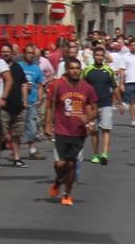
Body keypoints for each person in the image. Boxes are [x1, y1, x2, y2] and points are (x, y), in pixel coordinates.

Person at [42, 57, 98, 207]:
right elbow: (49, 106)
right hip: (61, 129)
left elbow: (94, 109)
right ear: (66, 69)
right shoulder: (57, 85)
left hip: (78, 133)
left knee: (72, 164)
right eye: (72, 68)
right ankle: (58, 179)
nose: (75, 71)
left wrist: (88, 119)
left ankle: (67, 194)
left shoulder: (87, 88)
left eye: (77, 68)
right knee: (60, 164)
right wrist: (47, 124)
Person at [83, 48, 119, 164]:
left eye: (101, 55)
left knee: (106, 129)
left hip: (106, 103)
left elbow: (114, 87)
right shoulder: (87, 70)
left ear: (104, 57)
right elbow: (81, 87)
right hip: (91, 105)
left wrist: (120, 102)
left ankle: (104, 154)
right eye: (97, 55)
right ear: (93, 56)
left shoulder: (108, 70)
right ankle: (95, 154)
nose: (99, 57)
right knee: (93, 131)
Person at [0, 43, 29, 168]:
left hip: (17, 106)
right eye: (3, 51)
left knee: (17, 135)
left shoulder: (17, 67)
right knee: (0, 134)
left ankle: (17, 158)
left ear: (12, 53)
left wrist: (25, 101)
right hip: (3, 106)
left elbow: (23, 84)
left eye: (8, 51)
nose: (6, 53)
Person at [18, 44, 46, 160]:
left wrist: (40, 99)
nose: (30, 55)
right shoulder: (19, 66)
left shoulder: (36, 69)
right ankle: (15, 152)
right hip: (19, 102)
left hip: (32, 102)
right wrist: (22, 86)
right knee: (18, 128)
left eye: (32, 53)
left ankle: (33, 150)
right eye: (28, 53)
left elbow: (40, 85)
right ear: (24, 53)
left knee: (32, 127)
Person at [116, 39, 135, 125]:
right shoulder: (125, 56)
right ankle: (133, 119)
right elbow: (122, 70)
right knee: (132, 101)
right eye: (132, 45)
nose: (133, 47)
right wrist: (121, 84)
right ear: (129, 46)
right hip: (129, 81)